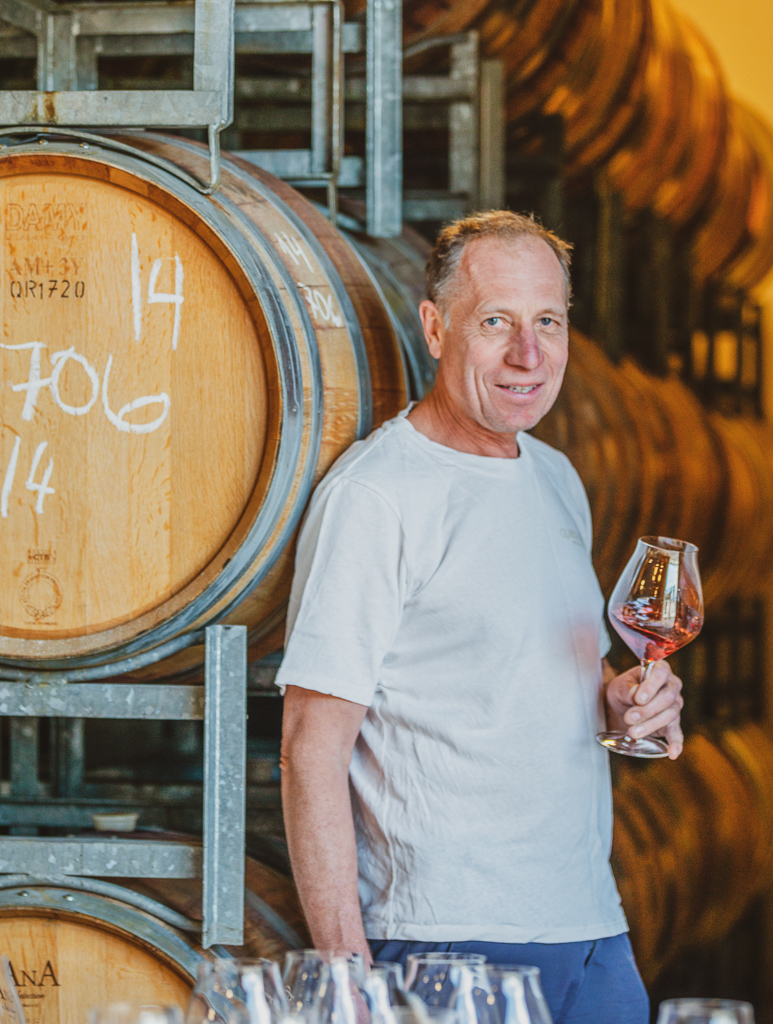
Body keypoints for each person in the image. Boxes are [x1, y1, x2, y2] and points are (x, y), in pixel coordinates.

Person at [276, 211, 683, 1024]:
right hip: (446, 941)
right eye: (496, 322)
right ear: (434, 327)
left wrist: (623, 701)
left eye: (548, 324)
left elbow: (554, 671)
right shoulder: (377, 496)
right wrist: (346, 977)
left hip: (589, 925)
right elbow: (307, 749)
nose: (527, 355)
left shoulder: (556, 477)